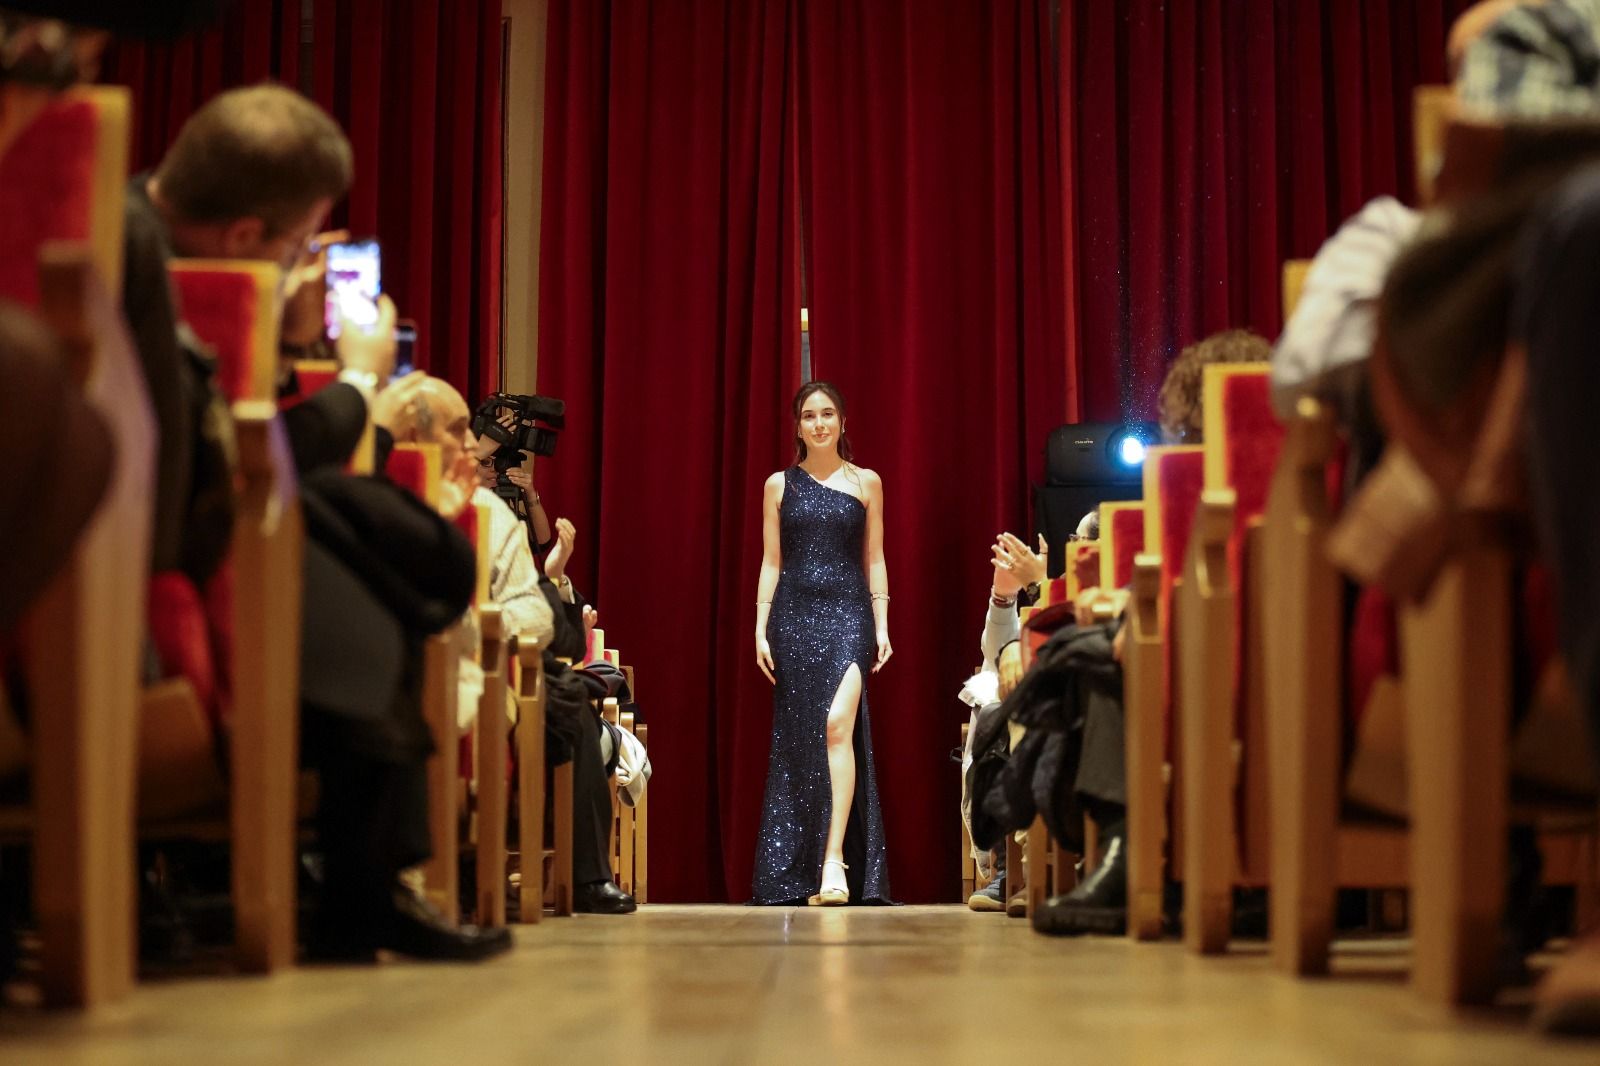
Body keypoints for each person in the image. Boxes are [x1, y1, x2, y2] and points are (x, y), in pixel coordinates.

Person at [752, 381, 892, 906]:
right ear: (797, 426)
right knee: (802, 743)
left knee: (838, 727)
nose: (819, 423)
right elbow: (771, 561)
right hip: (792, 617)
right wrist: (760, 627)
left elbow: (875, 557)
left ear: (843, 422)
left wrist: (881, 623)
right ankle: (804, 865)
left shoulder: (867, 482)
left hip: (850, 615)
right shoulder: (777, 485)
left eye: (828, 414)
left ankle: (835, 861)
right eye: (809, 416)